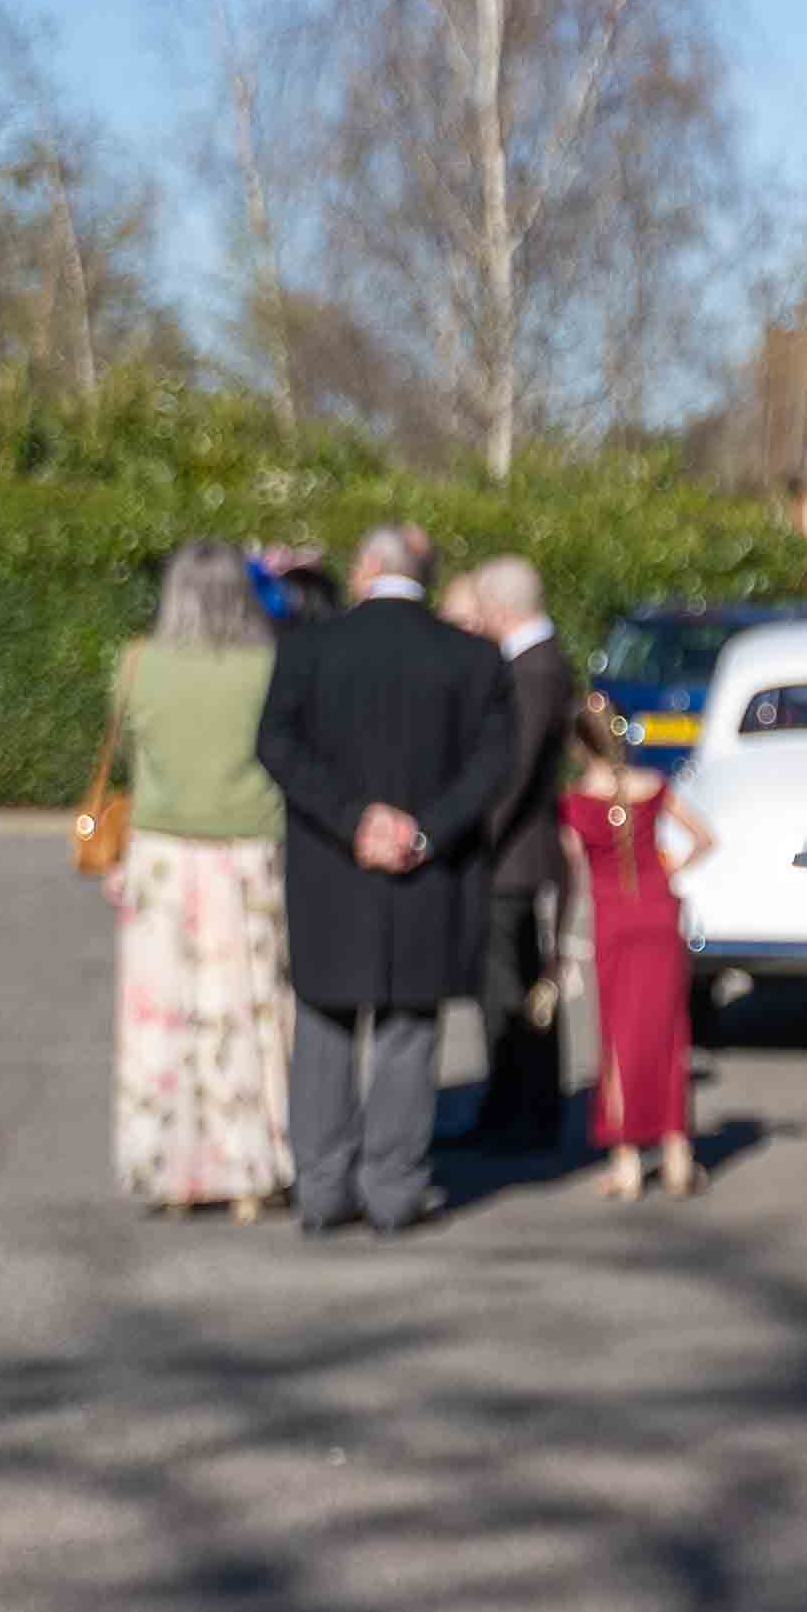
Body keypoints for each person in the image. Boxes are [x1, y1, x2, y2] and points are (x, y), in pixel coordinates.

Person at [251, 522, 517, 1241]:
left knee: (325, 1023)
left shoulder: (306, 649)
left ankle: (322, 1188)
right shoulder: (473, 658)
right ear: (422, 576)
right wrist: (423, 829)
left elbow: (274, 743)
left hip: (331, 869)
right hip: (426, 873)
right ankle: (394, 1189)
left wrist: (353, 819)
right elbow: (495, 764)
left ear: (366, 566)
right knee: (406, 1029)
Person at [104, 539, 296, 1216]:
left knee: (165, 1016)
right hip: (247, 849)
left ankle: (171, 1169)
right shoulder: (267, 664)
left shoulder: (137, 664)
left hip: (160, 851)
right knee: (246, 1012)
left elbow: (137, 756)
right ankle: (250, 1168)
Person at [558, 698, 704, 1200]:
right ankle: (678, 1155)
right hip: (659, 912)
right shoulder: (653, 787)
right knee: (668, 1031)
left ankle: (626, 1163)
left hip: (614, 919)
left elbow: (574, 869)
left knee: (619, 1035)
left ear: (579, 746)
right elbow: (704, 838)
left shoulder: (576, 802)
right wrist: (670, 869)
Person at [454, 555, 578, 1148]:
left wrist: (472, 836)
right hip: (523, 853)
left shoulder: (533, 668)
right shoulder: (540, 662)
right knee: (518, 982)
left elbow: (516, 768)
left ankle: (521, 1112)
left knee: (509, 989)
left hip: (513, 858)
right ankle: (519, 1107)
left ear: (501, 607)